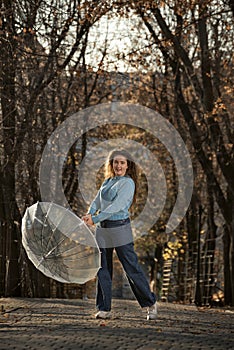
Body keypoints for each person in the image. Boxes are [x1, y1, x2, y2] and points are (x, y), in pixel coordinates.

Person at [82, 149, 157, 320]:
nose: (119, 165)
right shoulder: (108, 181)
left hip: (120, 227)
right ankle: (104, 308)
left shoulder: (128, 183)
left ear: (128, 165)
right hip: (103, 228)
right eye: (116, 162)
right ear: (111, 164)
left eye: (122, 162)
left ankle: (150, 303)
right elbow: (97, 201)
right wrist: (89, 214)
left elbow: (116, 207)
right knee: (103, 267)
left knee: (130, 267)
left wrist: (96, 218)